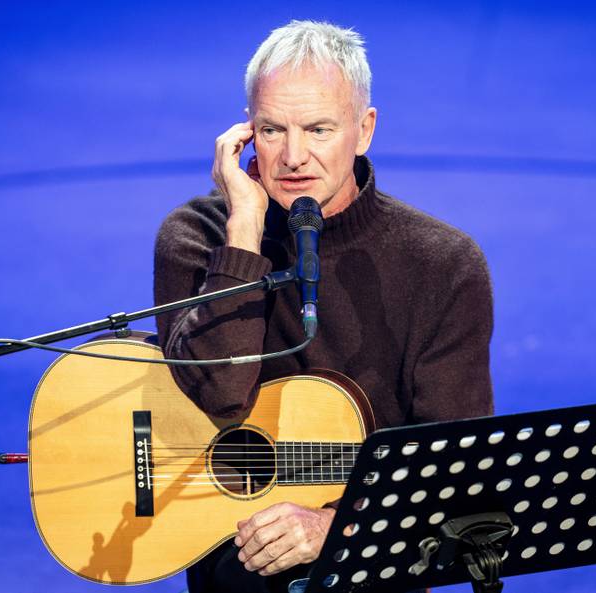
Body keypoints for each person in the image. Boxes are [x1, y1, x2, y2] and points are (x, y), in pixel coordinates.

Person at [153, 20, 494, 593]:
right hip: (231, 542)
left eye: (318, 129)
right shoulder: (196, 237)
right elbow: (218, 396)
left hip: (376, 551)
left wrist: (335, 525)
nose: (293, 156)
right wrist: (244, 231)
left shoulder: (443, 263)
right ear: (244, 135)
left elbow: (452, 465)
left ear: (364, 130)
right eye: (271, 129)